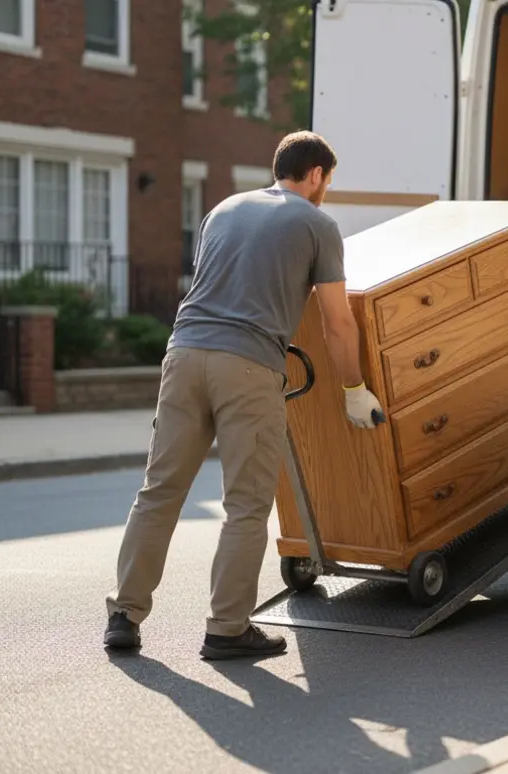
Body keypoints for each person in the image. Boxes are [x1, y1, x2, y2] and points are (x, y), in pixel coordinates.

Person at [102, 131, 383, 660]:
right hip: (249, 367)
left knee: (159, 491)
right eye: (328, 181)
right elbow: (337, 323)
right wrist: (353, 388)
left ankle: (124, 615)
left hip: (183, 354)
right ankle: (227, 629)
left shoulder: (223, 210)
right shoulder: (318, 223)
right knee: (247, 505)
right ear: (317, 175)